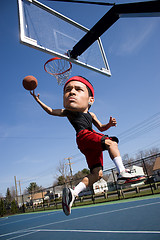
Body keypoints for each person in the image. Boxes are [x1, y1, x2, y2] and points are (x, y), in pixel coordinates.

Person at [30, 75, 145, 216]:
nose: (71, 92)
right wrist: (38, 100)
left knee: (97, 174)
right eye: (67, 90)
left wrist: (109, 124)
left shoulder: (92, 114)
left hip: (88, 142)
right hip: (84, 136)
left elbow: (101, 128)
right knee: (111, 142)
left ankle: (73, 192)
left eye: (78, 89)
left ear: (91, 99)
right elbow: (51, 111)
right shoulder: (69, 112)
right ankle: (122, 173)